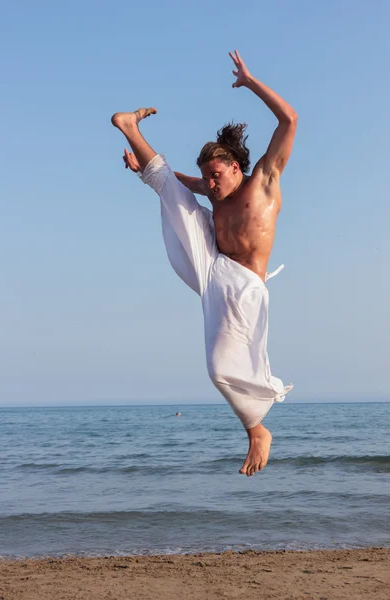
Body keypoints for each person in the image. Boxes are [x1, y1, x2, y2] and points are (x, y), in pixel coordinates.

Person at [111, 50, 297, 476]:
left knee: (218, 367)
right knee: (170, 193)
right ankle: (128, 125)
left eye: (216, 176)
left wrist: (251, 82)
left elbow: (289, 120)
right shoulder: (214, 193)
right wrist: (145, 169)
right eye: (207, 177)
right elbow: (178, 183)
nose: (210, 185)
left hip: (244, 287)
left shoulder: (264, 183)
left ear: (236, 167)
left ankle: (256, 428)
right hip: (212, 269)